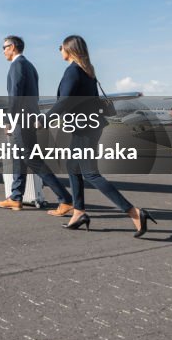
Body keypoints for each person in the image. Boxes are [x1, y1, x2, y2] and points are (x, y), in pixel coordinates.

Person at [52, 35, 156, 237]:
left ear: (69, 49)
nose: (59, 51)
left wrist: (43, 120)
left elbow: (64, 101)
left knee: (90, 173)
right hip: (89, 126)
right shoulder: (87, 71)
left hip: (84, 129)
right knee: (72, 166)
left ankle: (135, 213)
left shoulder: (73, 71)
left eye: (60, 47)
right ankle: (79, 212)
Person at [0, 36, 74, 213]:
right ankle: (16, 197)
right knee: (19, 159)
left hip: (21, 121)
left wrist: (9, 120)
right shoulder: (30, 66)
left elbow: (15, 96)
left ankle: (66, 199)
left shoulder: (17, 65)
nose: (3, 51)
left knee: (32, 160)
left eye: (4, 47)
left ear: (12, 47)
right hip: (28, 118)